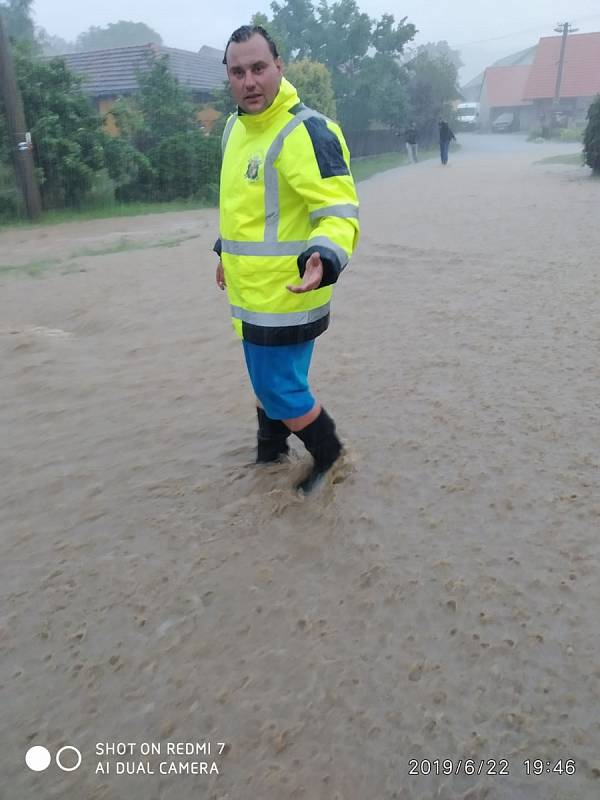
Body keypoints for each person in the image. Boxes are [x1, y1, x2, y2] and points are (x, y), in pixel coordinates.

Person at [213, 25, 360, 494]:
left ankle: (332, 457)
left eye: (259, 68)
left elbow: (339, 212)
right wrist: (224, 253)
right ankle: (271, 454)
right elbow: (242, 206)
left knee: (280, 386)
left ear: (280, 67)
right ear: (229, 77)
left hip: (293, 291)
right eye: (238, 72)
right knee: (265, 381)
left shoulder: (307, 130)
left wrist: (324, 256)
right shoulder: (234, 129)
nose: (249, 81)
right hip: (248, 292)